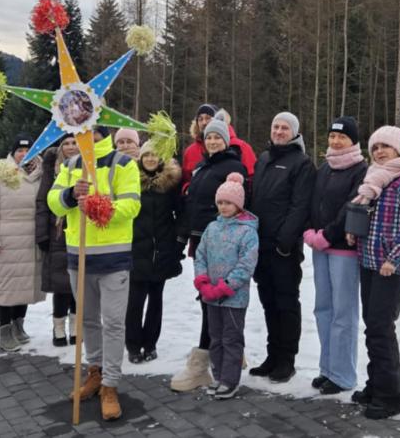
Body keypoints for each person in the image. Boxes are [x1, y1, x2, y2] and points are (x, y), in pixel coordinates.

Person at [47, 128, 141, 421]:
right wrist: (70, 195)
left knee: (112, 323)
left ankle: (110, 385)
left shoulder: (123, 163)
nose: (84, 139)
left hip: (114, 259)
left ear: (100, 134)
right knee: (86, 320)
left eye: (90, 134)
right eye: (80, 134)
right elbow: (53, 201)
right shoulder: (71, 165)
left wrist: (100, 206)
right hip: (79, 258)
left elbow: (132, 204)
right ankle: (95, 373)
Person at [346, 126, 400, 420]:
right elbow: (371, 217)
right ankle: (376, 386)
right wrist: (354, 232)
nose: (380, 151)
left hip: (394, 267)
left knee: (381, 328)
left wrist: (393, 258)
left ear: (399, 149)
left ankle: (392, 398)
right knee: (373, 327)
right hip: (370, 262)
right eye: (375, 147)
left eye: (385, 146)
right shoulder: (376, 177)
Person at [170, 118, 249, 392]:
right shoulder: (203, 167)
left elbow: (237, 206)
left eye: (218, 137)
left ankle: (203, 361)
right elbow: (191, 204)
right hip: (200, 240)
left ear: (226, 140)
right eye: (209, 137)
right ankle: (227, 352)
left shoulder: (233, 167)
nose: (213, 141)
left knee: (214, 301)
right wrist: (181, 236)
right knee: (207, 298)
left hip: (221, 243)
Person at [248, 111, 315, 383]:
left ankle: (286, 360)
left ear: (294, 132)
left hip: (283, 249)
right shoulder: (264, 158)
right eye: (276, 126)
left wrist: (285, 243)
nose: (278, 131)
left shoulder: (302, 163)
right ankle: (272, 355)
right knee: (268, 302)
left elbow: (300, 206)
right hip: (260, 245)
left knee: (286, 303)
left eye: (284, 128)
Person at [303, 116, 368, 395]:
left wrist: (327, 234)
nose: (336, 141)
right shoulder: (325, 167)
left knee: (343, 312)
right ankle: (327, 368)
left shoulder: (360, 169)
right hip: (320, 247)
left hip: (343, 249)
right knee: (323, 309)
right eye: (332, 136)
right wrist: (309, 230)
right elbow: (312, 201)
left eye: (342, 137)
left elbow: (352, 205)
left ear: (353, 140)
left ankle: (343, 375)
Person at [193, 172, 259, 400]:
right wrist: (202, 281)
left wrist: (227, 286)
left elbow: (246, 264)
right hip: (210, 295)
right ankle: (218, 375)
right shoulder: (212, 228)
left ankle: (230, 380)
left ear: (238, 204)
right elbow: (200, 255)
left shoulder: (247, 232)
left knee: (231, 338)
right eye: (220, 202)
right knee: (216, 337)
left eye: (228, 203)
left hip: (233, 298)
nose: (223, 207)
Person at [0, 133, 46, 352]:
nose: (24, 154)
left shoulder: (40, 175)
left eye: (28, 150)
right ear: (13, 153)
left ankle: (19, 325)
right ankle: (5, 331)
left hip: (32, 239)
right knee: (8, 286)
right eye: (20, 150)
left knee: (25, 284)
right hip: (8, 241)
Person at [126, 145, 185, 364]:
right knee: (135, 301)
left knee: (156, 301)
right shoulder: (131, 180)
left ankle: (150, 344)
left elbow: (181, 213)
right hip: (136, 250)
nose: (150, 159)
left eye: (154, 155)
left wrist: (177, 242)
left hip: (162, 250)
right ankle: (133, 345)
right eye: (146, 155)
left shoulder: (170, 183)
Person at [35, 135, 79, 346]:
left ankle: (76, 326)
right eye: (66, 144)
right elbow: (42, 202)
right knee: (61, 284)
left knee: (77, 284)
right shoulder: (53, 170)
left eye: (74, 143)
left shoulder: (87, 165)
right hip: (57, 233)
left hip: (80, 230)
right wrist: (42, 235)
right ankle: (59, 327)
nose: (70, 147)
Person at [181, 104, 256, 189]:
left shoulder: (240, 146)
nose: (204, 122)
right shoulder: (190, 151)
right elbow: (185, 180)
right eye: (200, 119)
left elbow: (252, 179)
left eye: (208, 118)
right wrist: (187, 189)